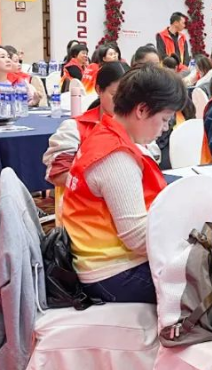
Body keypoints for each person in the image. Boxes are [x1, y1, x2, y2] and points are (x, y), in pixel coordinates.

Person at [62, 65, 186, 303]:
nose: (164, 129)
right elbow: (138, 239)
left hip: (98, 261)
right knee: (207, 282)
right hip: (112, 272)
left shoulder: (105, 134)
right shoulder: (116, 156)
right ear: (142, 109)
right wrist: (185, 232)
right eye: (164, 119)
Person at [43, 62, 130, 215]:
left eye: (129, 97)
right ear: (98, 90)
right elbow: (57, 174)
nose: (123, 103)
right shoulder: (75, 128)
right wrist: (103, 184)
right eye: (115, 95)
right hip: (84, 214)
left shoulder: (137, 128)